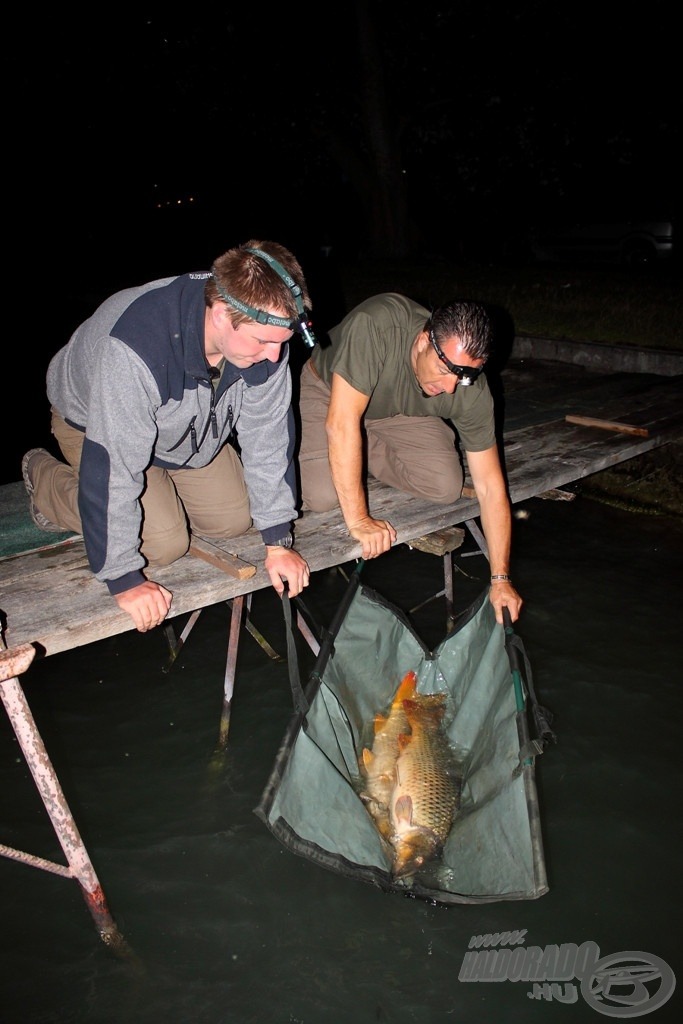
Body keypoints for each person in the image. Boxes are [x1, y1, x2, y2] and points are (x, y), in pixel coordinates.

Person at [22, 240, 315, 633]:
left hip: (184, 431)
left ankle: (164, 487)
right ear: (221, 314)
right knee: (163, 543)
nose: (276, 357)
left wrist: (279, 542)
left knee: (233, 519)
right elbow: (115, 465)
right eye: (263, 341)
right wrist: (124, 580)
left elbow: (269, 436)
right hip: (96, 424)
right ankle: (43, 478)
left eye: (284, 342)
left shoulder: (267, 341)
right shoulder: (136, 346)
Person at [297, 291, 523, 623]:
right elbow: (341, 423)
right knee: (322, 497)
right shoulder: (374, 327)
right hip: (331, 391)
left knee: (445, 485)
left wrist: (500, 579)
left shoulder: (467, 387)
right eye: (445, 369)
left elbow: (490, 486)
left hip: (395, 411)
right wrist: (360, 521)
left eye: (465, 376)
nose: (450, 387)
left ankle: (360, 445)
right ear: (422, 341)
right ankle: (346, 448)